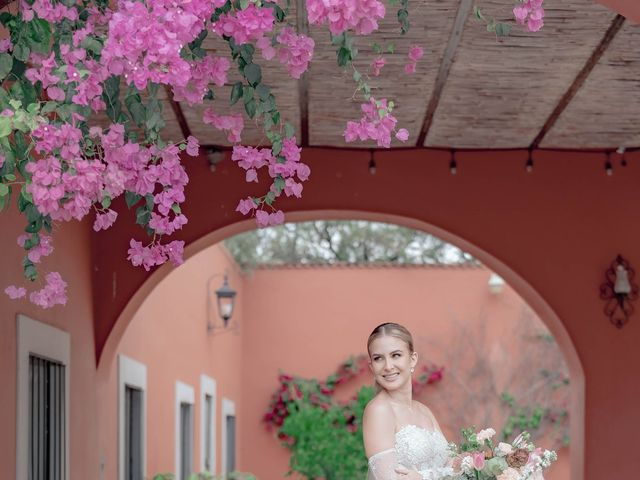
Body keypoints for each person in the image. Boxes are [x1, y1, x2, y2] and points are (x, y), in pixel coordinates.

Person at [363, 322, 454, 480]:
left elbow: (452, 467)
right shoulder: (379, 410)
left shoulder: (424, 411)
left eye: (395, 355)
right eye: (378, 359)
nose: (388, 366)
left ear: (412, 359)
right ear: (372, 367)